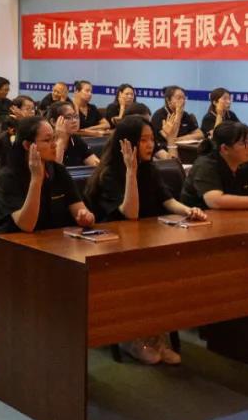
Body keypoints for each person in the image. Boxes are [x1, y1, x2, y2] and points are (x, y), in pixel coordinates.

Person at [85, 115, 206, 364]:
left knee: (170, 271)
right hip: (114, 247)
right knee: (144, 273)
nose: (150, 145)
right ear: (127, 143)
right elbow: (130, 214)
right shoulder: (110, 173)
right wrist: (131, 172)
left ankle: (157, 336)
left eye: (152, 139)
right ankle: (133, 338)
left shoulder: (150, 168)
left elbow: (167, 200)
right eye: (143, 140)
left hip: (145, 240)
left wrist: (188, 211)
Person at [0, 117, 95, 278]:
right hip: (11, 255)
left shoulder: (59, 171)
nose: (54, 144)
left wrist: (86, 218)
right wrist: (36, 179)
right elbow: (27, 225)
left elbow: (83, 212)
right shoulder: (7, 178)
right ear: (27, 145)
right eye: (47, 140)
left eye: (55, 138)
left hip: (51, 249)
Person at [180, 122, 248, 209]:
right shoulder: (206, 165)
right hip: (200, 220)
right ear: (225, 149)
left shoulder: (247, 164)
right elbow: (214, 201)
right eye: (243, 143)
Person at [47, 101, 100, 167]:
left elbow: (95, 164)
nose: (74, 121)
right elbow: (55, 170)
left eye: (75, 116)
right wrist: (61, 140)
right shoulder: (46, 142)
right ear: (53, 122)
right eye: (68, 117)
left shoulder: (76, 140)